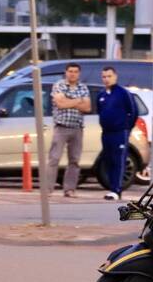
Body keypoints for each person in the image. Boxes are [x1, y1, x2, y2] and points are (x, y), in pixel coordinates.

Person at [48, 63, 91, 197]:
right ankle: (47, 189)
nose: (72, 74)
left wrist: (69, 101)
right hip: (61, 127)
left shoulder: (83, 87)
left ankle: (69, 189)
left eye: (75, 72)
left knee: (74, 160)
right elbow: (60, 104)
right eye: (70, 71)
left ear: (79, 73)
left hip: (77, 128)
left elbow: (87, 107)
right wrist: (78, 101)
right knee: (54, 159)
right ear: (66, 72)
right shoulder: (59, 85)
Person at [97, 66, 139, 201]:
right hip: (106, 133)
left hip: (120, 133)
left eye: (109, 76)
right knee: (108, 160)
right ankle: (112, 188)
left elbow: (133, 111)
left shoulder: (123, 93)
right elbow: (100, 111)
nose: (106, 79)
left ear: (115, 76)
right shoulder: (101, 95)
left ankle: (116, 189)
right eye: (104, 77)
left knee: (118, 160)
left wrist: (126, 128)